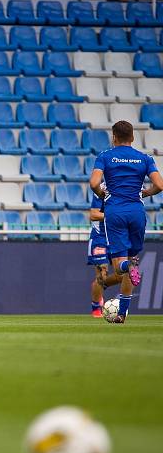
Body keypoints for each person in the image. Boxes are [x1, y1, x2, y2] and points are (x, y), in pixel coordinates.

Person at [90, 120, 163, 323]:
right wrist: (147, 193)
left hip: (116, 212)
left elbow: (94, 182)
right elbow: (160, 184)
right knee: (132, 259)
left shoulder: (105, 156)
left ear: (114, 137)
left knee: (120, 266)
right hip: (137, 212)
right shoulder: (144, 158)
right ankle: (122, 313)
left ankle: (128, 267)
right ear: (132, 137)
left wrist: (101, 193)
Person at [87, 187, 122, 317]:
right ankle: (96, 306)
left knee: (121, 276)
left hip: (116, 238)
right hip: (99, 238)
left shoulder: (126, 189)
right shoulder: (102, 189)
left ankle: (101, 284)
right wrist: (114, 215)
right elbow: (93, 214)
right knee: (101, 275)